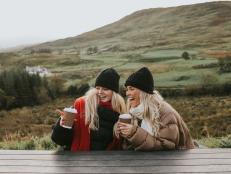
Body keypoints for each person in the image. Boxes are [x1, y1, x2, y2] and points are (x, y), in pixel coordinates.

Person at [115, 67, 195, 150]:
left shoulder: (165, 113)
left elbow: (166, 146)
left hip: (181, 158)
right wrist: (121, 131)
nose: (127, 93)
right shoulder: (134, 111)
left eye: (131, 89)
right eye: (127, 89)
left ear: (144, 92)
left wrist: (134, 133)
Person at [51, 68, 126, 151]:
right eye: (97, 88)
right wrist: (62, 126)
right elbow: (58, 140)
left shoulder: (120, 112)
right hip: (77, 160)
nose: (100, 92)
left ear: (114, 92)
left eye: (105, 89)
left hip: (106, 161)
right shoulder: (81, 105)